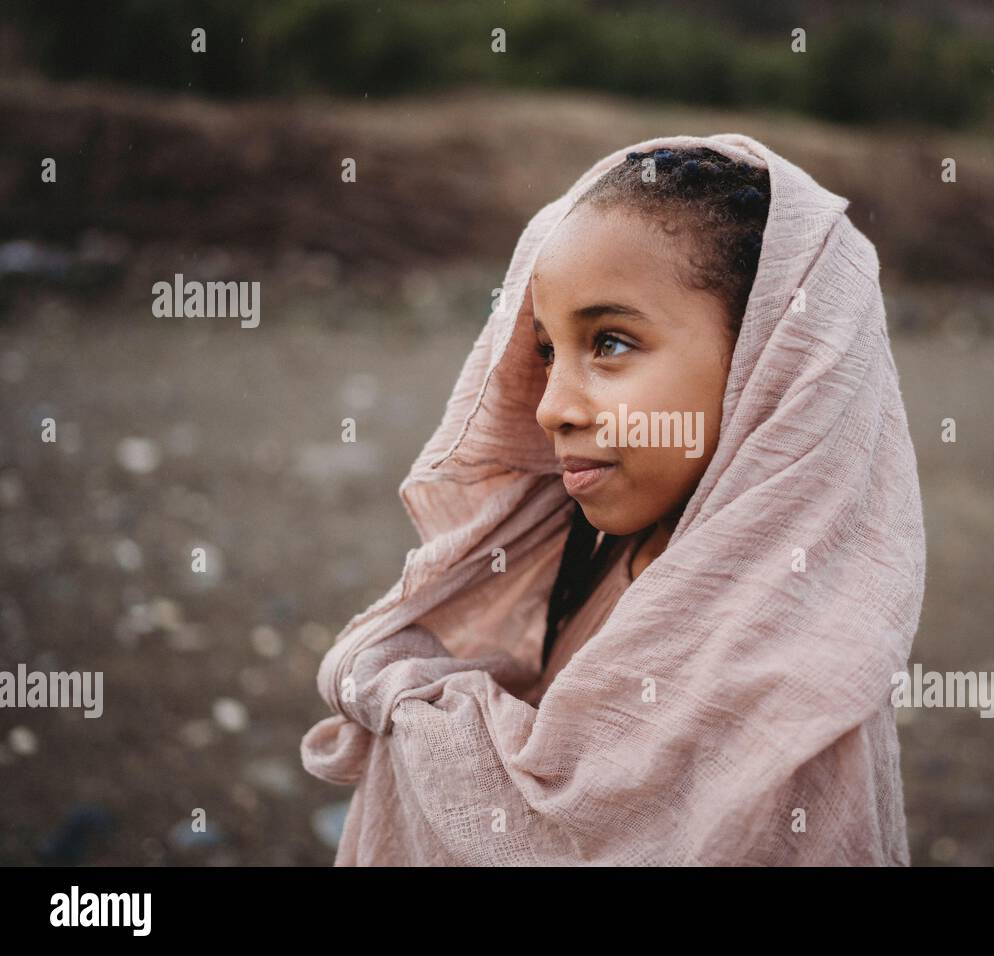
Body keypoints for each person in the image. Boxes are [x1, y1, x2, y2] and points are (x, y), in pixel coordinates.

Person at [301, 133, 927, 865]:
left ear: (772, 360)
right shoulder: (610, 562)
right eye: (544, 352)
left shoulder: (795, 691)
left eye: (611, 343)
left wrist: (409, 701)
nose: (551, 408)